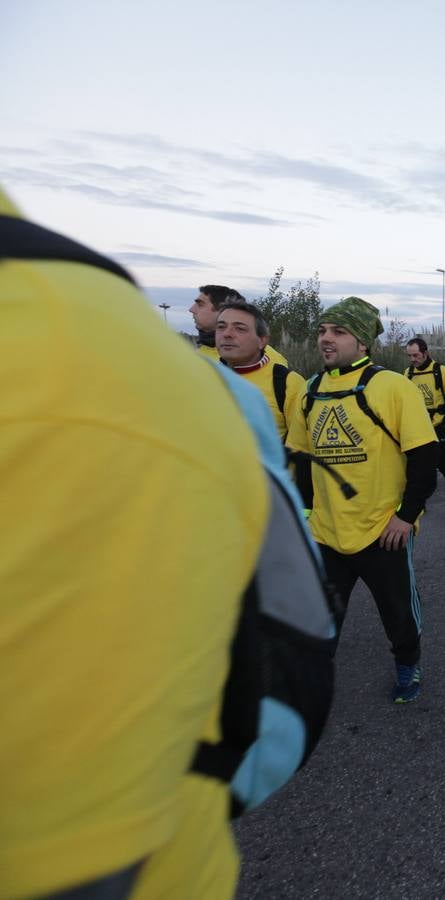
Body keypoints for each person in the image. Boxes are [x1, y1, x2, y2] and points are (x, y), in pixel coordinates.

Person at [2, 190, 267, 898]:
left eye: (226, 318)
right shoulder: (155, 360)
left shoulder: (85, 355)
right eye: (215, 320)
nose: (208, 324)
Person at [289, 296, 438, 704]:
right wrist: (304, 513)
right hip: (326, 530)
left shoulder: (391, 386)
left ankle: (408, 663)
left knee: (398, 614)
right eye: (322, 331)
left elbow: (424, 459)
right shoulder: (312, 389)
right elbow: (303, 459)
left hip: (381, 531)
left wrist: (406, 517)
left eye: (338, 332)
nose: (326, 339)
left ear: (363, 342)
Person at [215, 301, 307, 445]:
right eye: (221, 327)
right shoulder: (202, 378)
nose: (227, 334)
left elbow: (302, 447)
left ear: (262, 340)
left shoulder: (287, 383)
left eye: (239, 329)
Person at [405, 337, 445, 518]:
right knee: (420, 466)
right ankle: (420, 502)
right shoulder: (408, 374)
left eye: (415, 355)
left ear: (425, 353)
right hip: (418, 427)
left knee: (442, 463)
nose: (412, 359)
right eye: (409, 356)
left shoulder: (440, 371)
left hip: (438, 426)